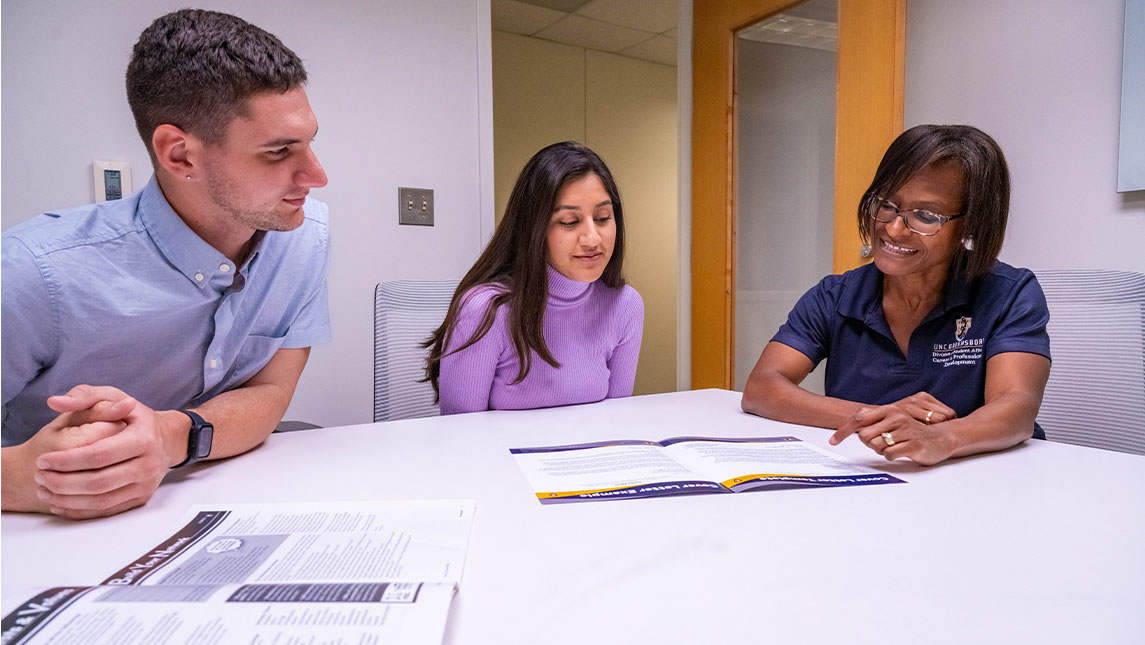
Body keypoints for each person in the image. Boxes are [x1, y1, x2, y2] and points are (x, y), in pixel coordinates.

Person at [1, 9, 330, 519]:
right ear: (179, 155)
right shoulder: (32, 272)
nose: (316, 175)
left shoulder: (304, 237)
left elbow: (269, 391)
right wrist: (22, 480)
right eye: (279, 151)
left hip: (201, 513)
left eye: (310, 141)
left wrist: (172, 435)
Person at [741, 124, 1050, 466]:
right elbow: (762, 388)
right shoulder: (835, 295)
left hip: (989, 477)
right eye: (887, 205)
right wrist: (879, 415)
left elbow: (1016, 406)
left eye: (926, 216)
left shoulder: (1009, 293)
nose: (893, 229)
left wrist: (939, 439)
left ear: (973, 223)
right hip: (876, 477)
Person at [424, 141, 644, 414]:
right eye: (569, 222)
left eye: (602, 217)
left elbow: (616, 419)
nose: (592, 238)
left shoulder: (625, 305)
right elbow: (459, 439)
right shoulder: (485, 311)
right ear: (534, 229)